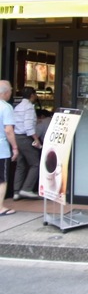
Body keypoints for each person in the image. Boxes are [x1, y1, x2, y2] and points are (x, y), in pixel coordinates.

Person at [12, 86, 42, 200]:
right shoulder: (29, 107)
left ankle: (16, 191)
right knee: (35, 164)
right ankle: (27, 189)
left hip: (17, 137)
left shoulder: (18, 107)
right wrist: (36, 139)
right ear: (32, 95)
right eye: (35, 94)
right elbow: (28, 127)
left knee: (20, 164)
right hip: (25, 138)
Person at [0, 80, 18, 216]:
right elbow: (8, 130)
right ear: (6, 92)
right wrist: (15, 147)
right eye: (11, 90)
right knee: (2, 179)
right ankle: (0, 207)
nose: (11, 92)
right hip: (1, 149)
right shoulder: (6, 107)